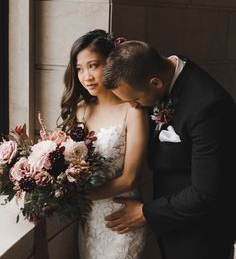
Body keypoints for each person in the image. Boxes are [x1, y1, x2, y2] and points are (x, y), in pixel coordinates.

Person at [102, 40, 236, 259]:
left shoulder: (209, 107)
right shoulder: (157, 75)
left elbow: (207, 192)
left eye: (135, 99)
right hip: (174, 226)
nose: (134, 107)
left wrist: (145, 213)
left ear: (155, 83)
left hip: (202, 234)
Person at [59, 30, 148, 259]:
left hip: (121, 220)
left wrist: (78, 196)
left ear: (110, 64)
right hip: (89, 221)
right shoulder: (80, 110)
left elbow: (131, 178)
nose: (86, 76)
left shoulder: (133, 112)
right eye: (79, 68)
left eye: (93, 65)